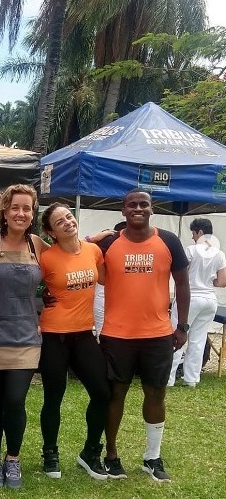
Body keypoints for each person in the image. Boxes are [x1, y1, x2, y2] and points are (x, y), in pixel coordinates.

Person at [99, 189, 190, 483]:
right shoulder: (109, 243)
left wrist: (182, 326)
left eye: (143, 204)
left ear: (152, 209)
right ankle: (111, 455)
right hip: (117, 335)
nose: (138, 208)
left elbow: (182, 284)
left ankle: (152, 457)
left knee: (156, 393)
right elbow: (79, 260)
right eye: (132, 205)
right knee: (116, 394)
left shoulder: (169, 241)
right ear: (123, 211)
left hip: (158, 334)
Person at [0, 184, 49, 489]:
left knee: (15, 401)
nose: (20, 213)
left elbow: (70, 254)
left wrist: (101, 237)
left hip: (26, 339)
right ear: (4, 211)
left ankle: (12, 459)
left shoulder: (38, 245)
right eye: (15, 207)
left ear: (33, 213)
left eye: (27, 208)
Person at [38, 203, 110, 481]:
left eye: (69, 217)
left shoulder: (93, 251)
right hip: (54, 336)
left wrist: (97, 238)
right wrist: (41, 296)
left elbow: (105, 279)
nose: (68, 222)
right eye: (60, 222)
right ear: (50, 232)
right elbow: (26, 284)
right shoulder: (46, 258)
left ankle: (90, 452)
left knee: (102, 393)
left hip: (83, 334)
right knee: (53, 397)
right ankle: (50, 452)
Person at [168, 218, 226, 387]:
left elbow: (181, 275)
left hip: (190, 298)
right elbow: (222, 282)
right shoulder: (219, 254)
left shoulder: (191, 250)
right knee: (198, 340)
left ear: (200, 232)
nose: (192, 237)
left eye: (193, 233)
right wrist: (209, 281)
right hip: (210, 299)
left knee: (177, 336)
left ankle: (168, 378)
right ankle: (191, 379)